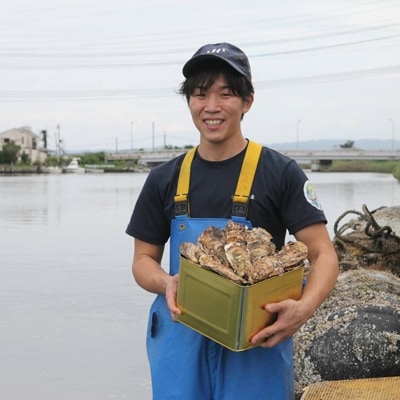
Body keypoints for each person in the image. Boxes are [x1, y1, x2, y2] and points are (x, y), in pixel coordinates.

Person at [126, 42, 339, 400]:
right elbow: (142, 261)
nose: (212, 106)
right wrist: (167, 283)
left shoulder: (280, 172)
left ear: (247, 101)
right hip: (181, 340)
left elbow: (323, 254)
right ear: (189, 102)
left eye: (226, 94)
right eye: (200, 94)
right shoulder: (164, 178)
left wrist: (303, 309)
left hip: (256, 342)